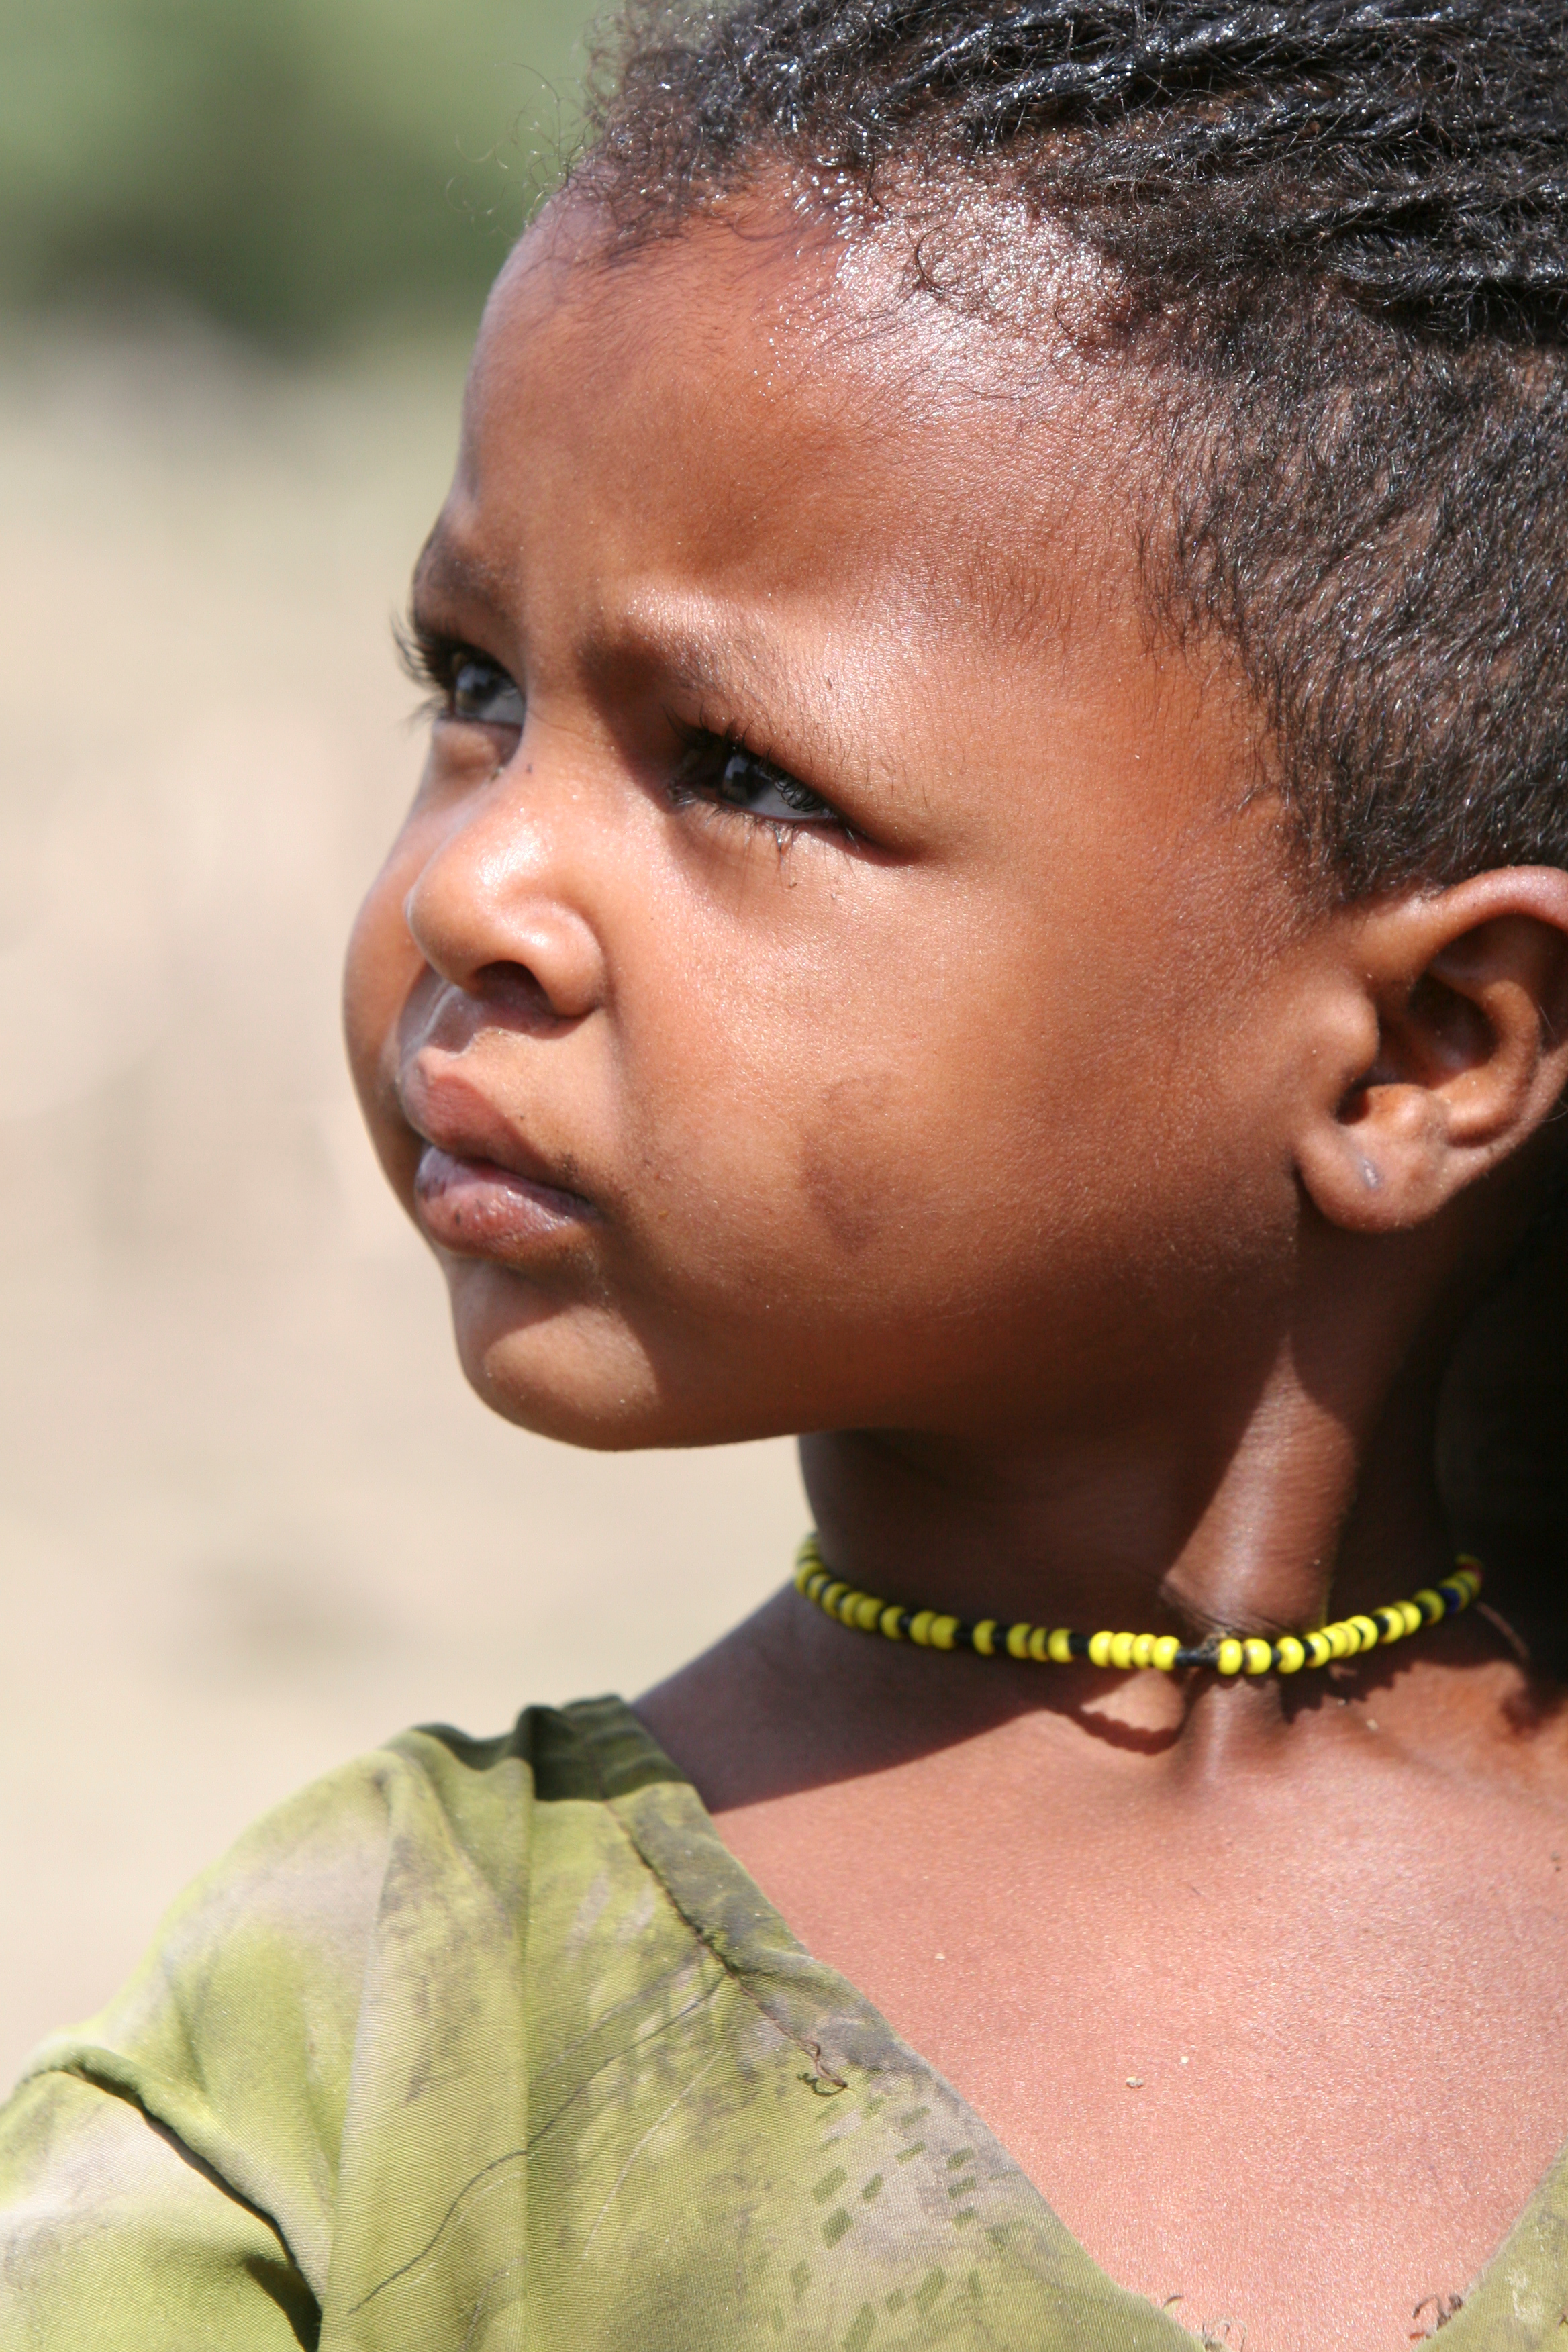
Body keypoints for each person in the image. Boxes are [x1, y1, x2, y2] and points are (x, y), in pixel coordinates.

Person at [4, 1, 1567, 2345]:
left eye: (742, 774)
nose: (478, 891)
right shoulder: (371, 2044)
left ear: (1428, 1055)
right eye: (470, 683)